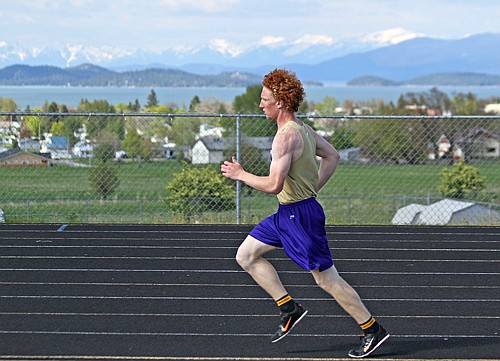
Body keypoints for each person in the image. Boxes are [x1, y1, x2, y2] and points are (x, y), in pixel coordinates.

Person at [221, 68, 389, 358]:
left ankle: (372, 329)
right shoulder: (304, 129)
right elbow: (332, 156)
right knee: (245, 255)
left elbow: (274, 185)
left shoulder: (286, 138)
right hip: (287, 213)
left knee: (326, 279)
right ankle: (288, 307)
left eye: (264, 100)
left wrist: (241, 174)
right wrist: (313, 188)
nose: (260, 104)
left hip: (300, 217)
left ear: (281, 103)